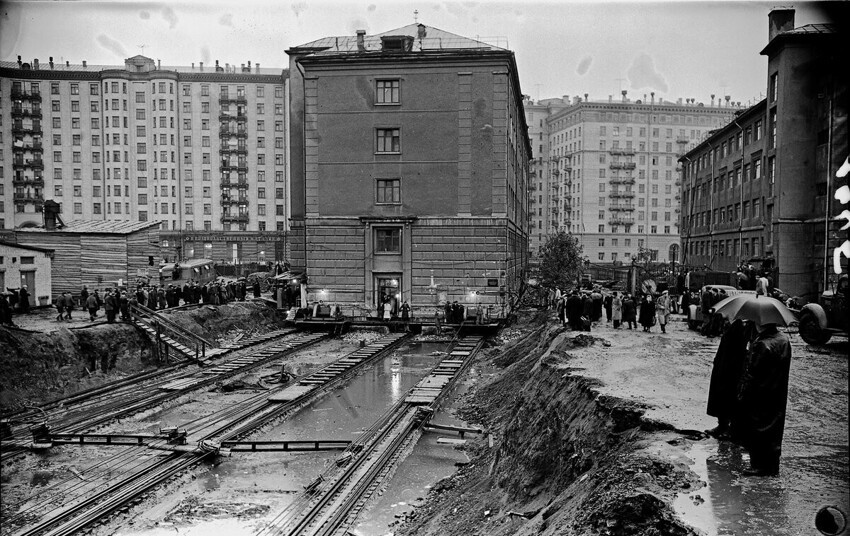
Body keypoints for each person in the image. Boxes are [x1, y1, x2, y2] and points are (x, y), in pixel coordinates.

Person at [736, 321, 792, 476]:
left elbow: (751, 372)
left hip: (759, 394)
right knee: (774, 429)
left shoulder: (761, 343)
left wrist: (742, 393)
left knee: (758, 428)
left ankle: (759, 465)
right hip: (777, 393)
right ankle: (772, 465)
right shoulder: (783, 340)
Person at [706, 319, 753, 440]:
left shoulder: (747, 326)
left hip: (735, 367)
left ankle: (732, 429)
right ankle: (722, 425)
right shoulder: (734, 323)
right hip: (723, 363)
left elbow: (745, 348)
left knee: (731, 397)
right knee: (720, 394)